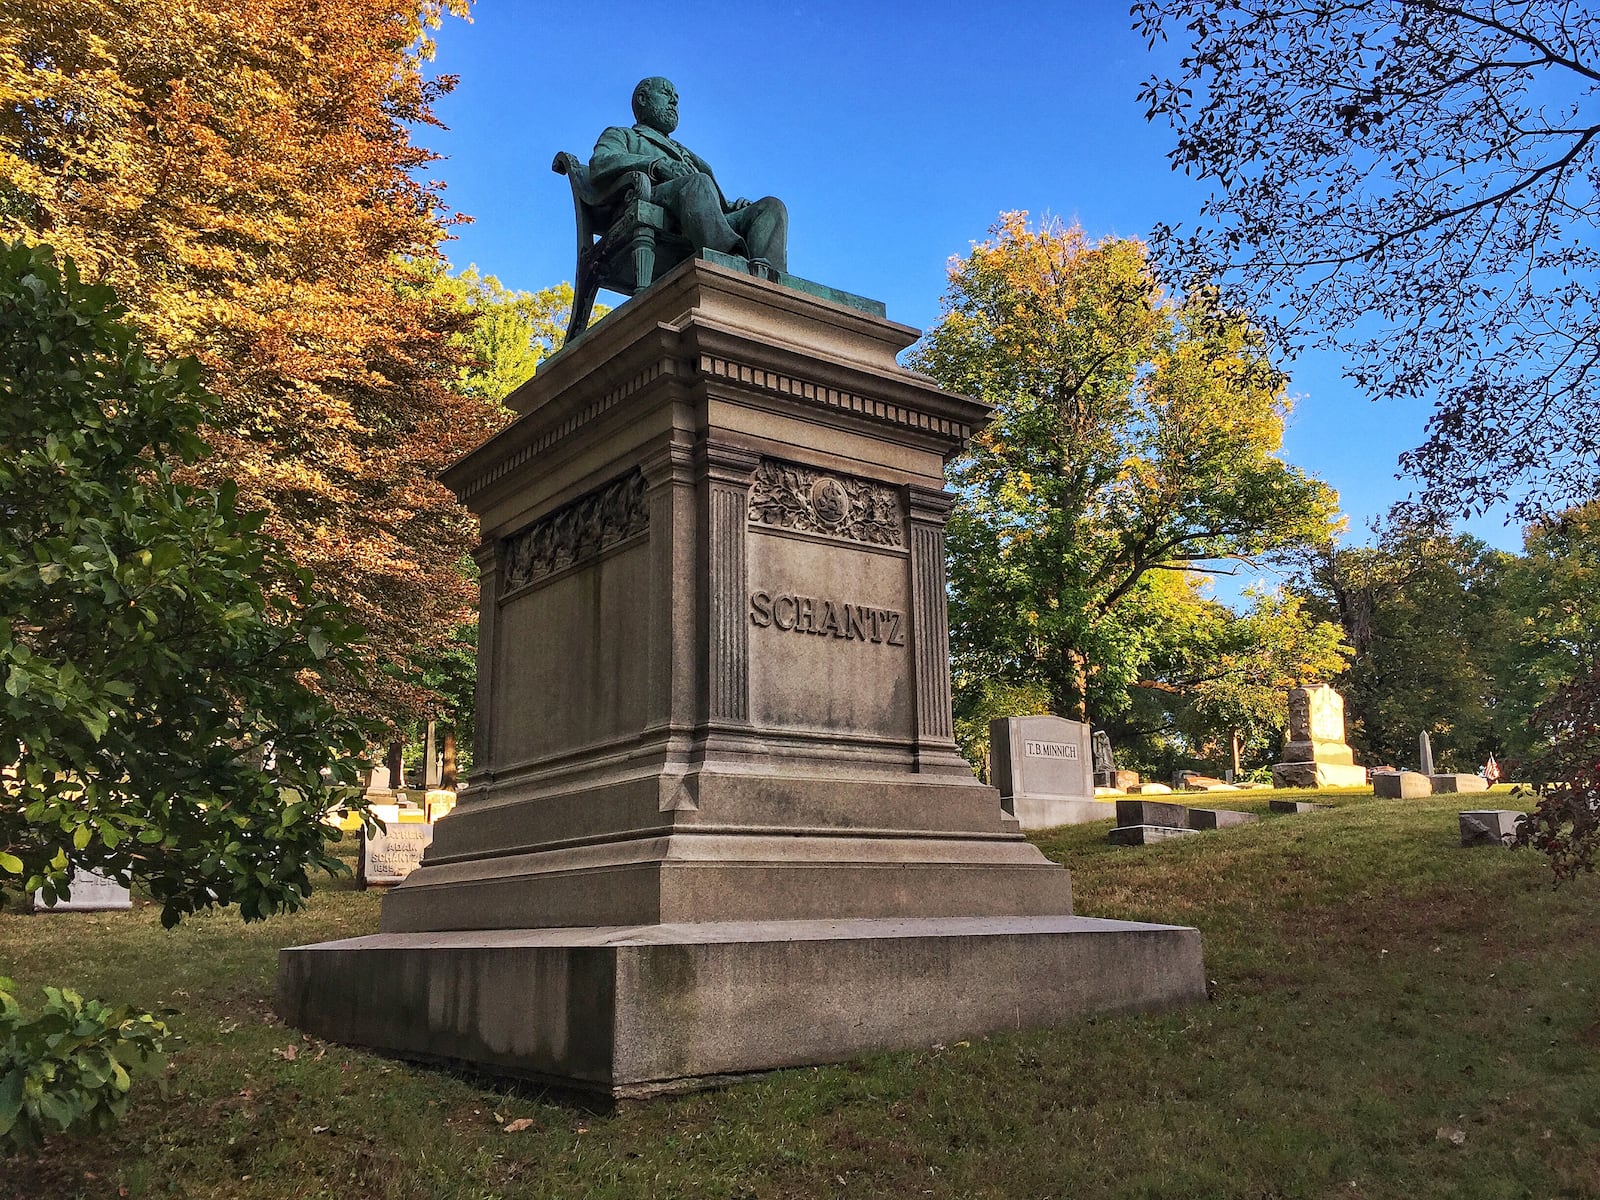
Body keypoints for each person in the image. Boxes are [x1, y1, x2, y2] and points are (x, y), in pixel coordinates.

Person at [589, 77, 788, 276]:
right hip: (651, 198)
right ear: (642, 99)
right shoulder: (623, 135)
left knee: (770, 207)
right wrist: (656, 165)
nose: (674, 102)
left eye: (676, 97)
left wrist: (731, 205)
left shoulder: (686, 151)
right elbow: (601, 162)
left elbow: (709, 198)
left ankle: (772, 280)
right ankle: (729, 258)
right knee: (698, 183)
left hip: (703, 216)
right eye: (666, 94)